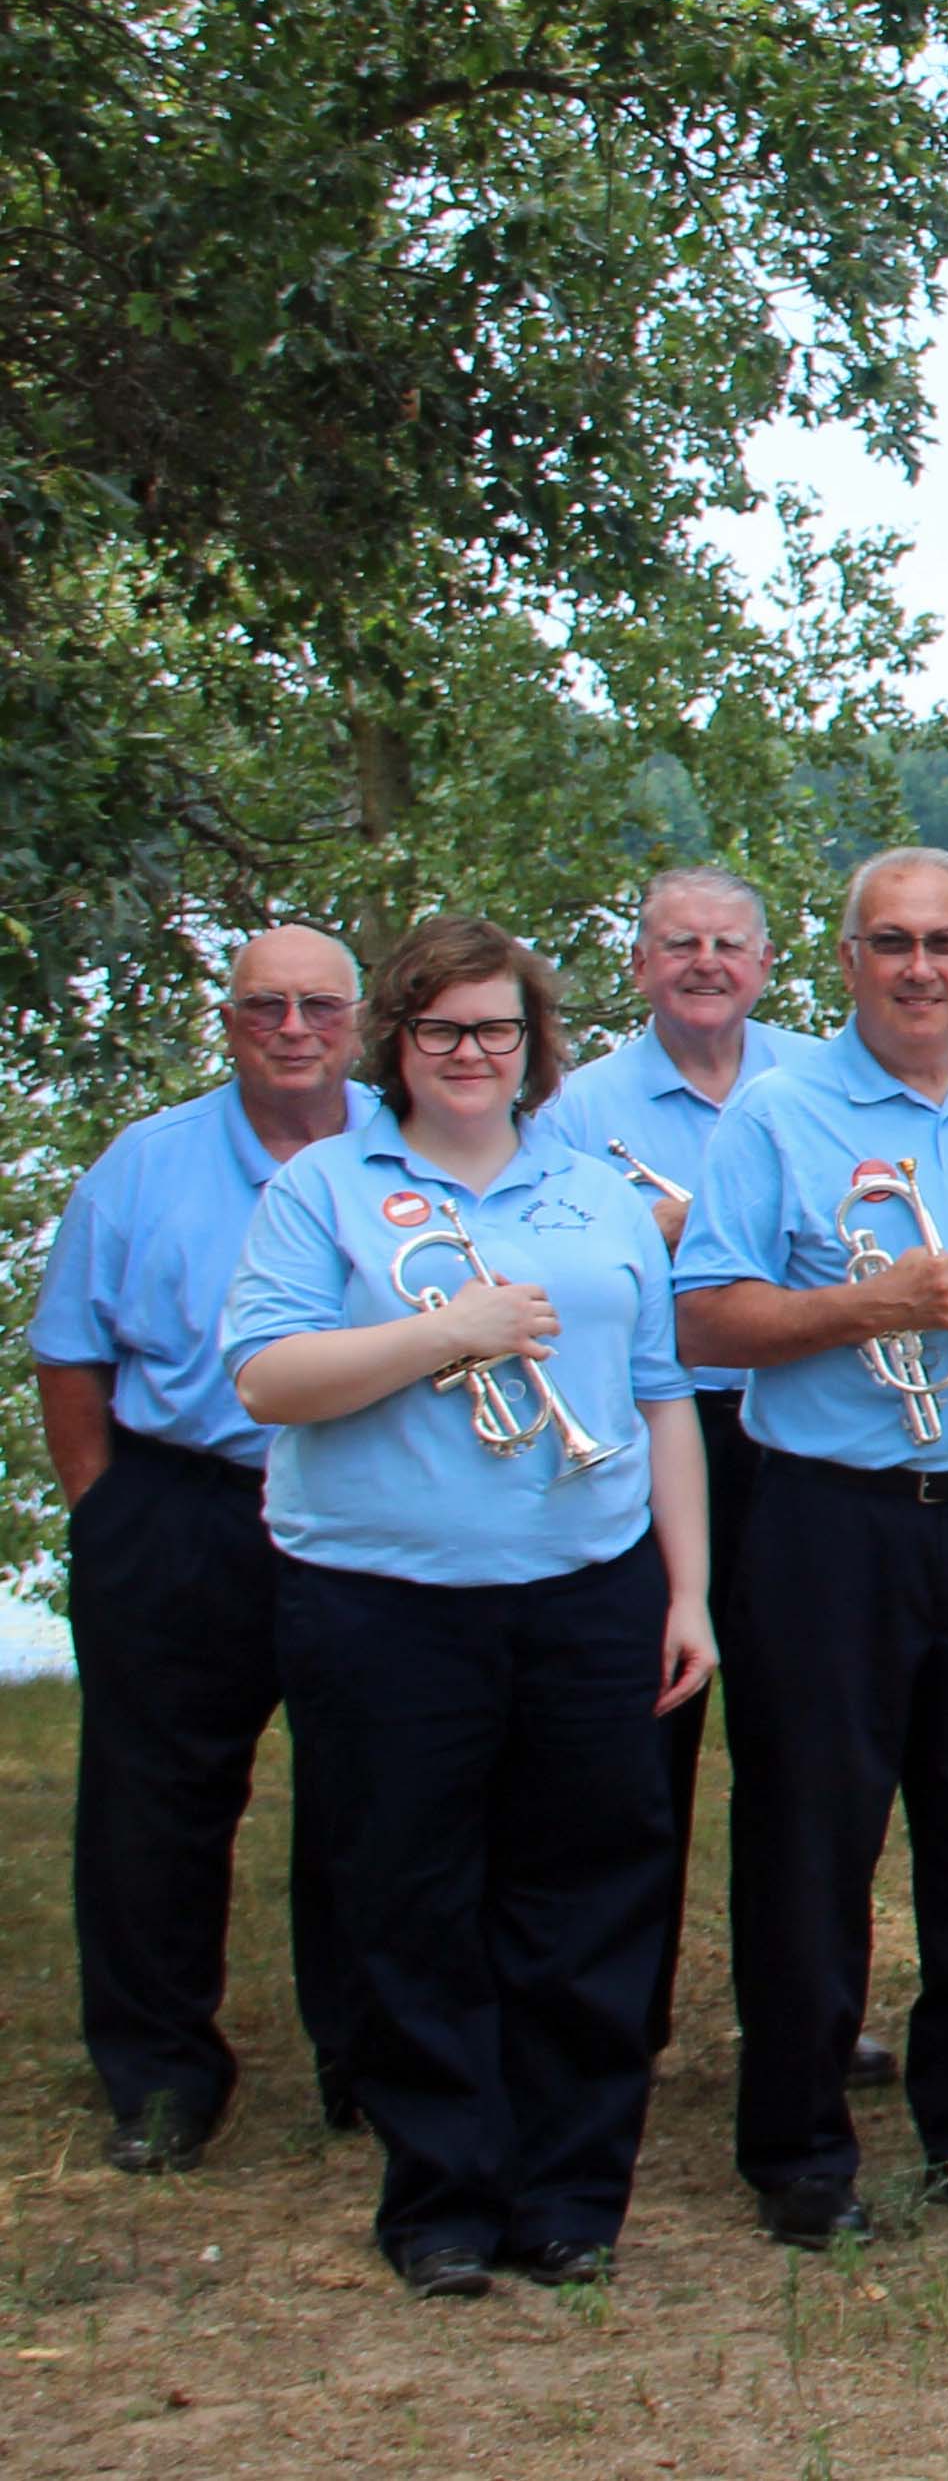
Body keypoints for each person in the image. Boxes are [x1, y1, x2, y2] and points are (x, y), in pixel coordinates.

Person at [224, 918, 716, 2293]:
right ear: (397, 1042)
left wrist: (687, 1588)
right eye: (441, 1028)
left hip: (586, 1589)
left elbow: (661, 1395)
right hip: (382, 1602)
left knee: (590, 1898)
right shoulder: (323, 1186)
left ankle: (569, 2194)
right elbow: (266, 1377)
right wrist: (447, 1331)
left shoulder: (597, 1190)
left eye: (496, 1028)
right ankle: (441, 2195)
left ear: (532, 1045)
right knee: (411, 1897)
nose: (470, 1053)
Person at [676, 848, 948, 2244]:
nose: (921, 966)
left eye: (945, 941)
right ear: (848, 957)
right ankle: (799, 2147)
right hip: (829, 1519)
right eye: (892, 941)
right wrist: (867, 1306)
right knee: (811, 1838)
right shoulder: (779, 1112)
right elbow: (705, 1315)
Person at [28, 927, 370, 2166]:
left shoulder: (409, 1148)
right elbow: (70, 1349)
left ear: (358, 1021)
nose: (293, 1029)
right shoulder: (145, 1163)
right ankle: (162, 2075)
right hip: (184, 1510)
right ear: (227, 1022)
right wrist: (103, 1511)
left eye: (318, 1005)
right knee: (155, 1802)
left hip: (365, 1509)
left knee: (376, 1791)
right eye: (264, 1006)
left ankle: (370, 2059)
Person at [531, 862, 829, 2066]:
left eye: (728, 943)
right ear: (640, 963)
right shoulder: (572, 1108)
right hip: (655, 1433)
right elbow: (537, 1272)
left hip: (797, 1430)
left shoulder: (822, 1081)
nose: (706, 962)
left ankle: (796, 2016)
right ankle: (619, 2019)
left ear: (766, 963)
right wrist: (655, 1232)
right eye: (680, 942)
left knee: (800, 1746)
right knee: (635, 1744)